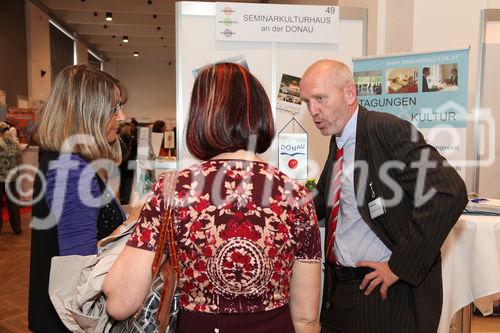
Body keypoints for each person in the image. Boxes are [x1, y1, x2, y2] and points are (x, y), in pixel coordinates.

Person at [104, 62, 322, 333]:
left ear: (201, 115)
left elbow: (120, 303)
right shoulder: (297, 196)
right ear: (261, 114)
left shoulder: (173, 191)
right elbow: (306, 319)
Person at [299, 59, 468, 333]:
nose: (313, 110)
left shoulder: (386, 130)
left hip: (385, 295)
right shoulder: (339, 139)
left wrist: (399, 267)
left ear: (350, 94)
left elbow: (448, 191)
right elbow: (328, 199)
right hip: (341, 293)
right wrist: (283, 203)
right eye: (307, 101)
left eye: (320, 98)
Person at [28, 65, 129, 333]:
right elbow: (81, 268)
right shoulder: (73, 172)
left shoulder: (63, 161)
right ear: (87, 114)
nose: (122, 116)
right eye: (114, 109)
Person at [0, 122, 22, 234]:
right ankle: (17, 228)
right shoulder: (14, 144)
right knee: (13, 204)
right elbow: (19, 155)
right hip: (12, 178)